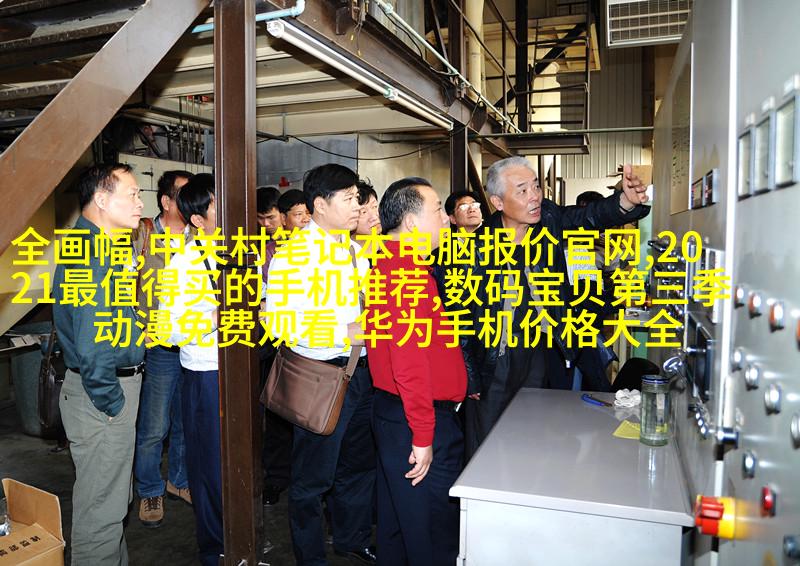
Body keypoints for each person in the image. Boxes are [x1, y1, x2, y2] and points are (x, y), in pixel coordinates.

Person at [448, 158, 650, 459]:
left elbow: (588, 216)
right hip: (494, 359)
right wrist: (470, 376)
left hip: (537, 352)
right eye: (522, 190)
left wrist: (625, 202)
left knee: (532, 436)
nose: (535, 196)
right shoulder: (473, 250)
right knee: (487, 444)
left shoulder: (548, 220)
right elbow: (460, 319)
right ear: (498, 202)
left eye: (536, 186)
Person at [265, 163, 376, 565]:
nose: (357, 205)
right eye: (348, 198)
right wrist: (342, 330)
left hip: (361, 373)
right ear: (320, 204)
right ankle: (311, 557)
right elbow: (277, 321)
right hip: (321, 378)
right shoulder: (294, 255)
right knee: (312, 479)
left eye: (357, 197)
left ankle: (351, 538)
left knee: (357, 465)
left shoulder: (354, 251)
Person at [368, 177, 466, 565]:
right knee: (432, 537)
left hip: (401, 415)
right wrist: (423, 435)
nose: (446, 219)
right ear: (411, 222)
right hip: (416, 421)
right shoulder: (404, 273)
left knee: (399, 531)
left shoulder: (396, 265)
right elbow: (407, 363)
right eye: (438, 210)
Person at [54, 163, 145, 565]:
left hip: (103, 391)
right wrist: (112, 403)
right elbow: (93, 345)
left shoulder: (96, 245)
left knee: (109, 503)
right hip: (103, 396)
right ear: (103, 200)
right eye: (133, 194)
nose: (140, 203)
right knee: (101, 515)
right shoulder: (93, 255)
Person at [160, 174, 223, 565]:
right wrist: (215, 318)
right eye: (218, 205)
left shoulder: (239, 253)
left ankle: (240, 540)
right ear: (198, 220)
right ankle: (215, 548)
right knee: (209, 468)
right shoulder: (183, 264)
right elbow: (169, 330)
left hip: (239, 371)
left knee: (236, 462)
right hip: (205, 375)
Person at [133, 170, 193, 528]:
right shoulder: (142, 234)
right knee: (154, 425)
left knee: (185, 419)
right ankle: (150, 489)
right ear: (166, 201)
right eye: (183, 194)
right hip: (158, 344)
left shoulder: (199, 236)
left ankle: (178, 480)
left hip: (193, 343)